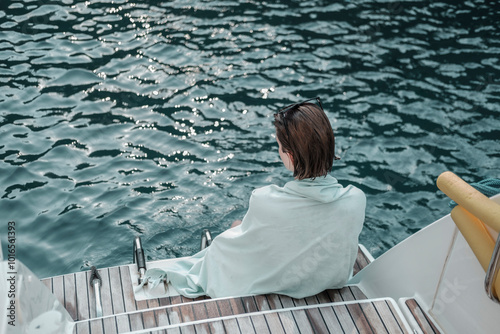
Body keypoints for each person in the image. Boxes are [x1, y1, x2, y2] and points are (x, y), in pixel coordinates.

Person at [163, 97, 366, 299]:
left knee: (235, 228)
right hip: (328, 283)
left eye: (279, 147)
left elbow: (245, 251)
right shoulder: (356, 200)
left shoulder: (265, 200)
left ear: (291, 156)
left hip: (280, 281)